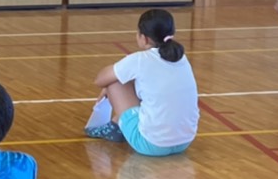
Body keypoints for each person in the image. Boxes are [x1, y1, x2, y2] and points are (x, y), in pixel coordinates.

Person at [85, 8, 198, 155]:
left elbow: (100, 80)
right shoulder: (181, 58)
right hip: (185, 141)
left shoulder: (140, 60)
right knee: (136, 83)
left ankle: (116, 127)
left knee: (114, 83)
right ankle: (116, 123)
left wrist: (109, 86)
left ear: (144, 38)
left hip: (150, 144)